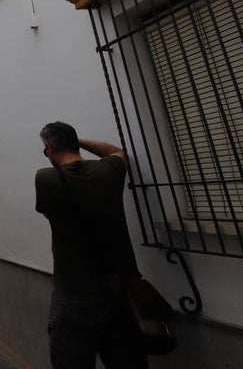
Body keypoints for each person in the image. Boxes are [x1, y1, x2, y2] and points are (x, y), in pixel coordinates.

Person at [35, 121, 146, 369]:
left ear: (49, 147)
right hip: (116, 288)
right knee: (126, 360)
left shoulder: (46, 179)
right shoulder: (108, 171)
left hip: (73, 290)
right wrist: (78, 141)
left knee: (71, 360)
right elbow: (117, 152)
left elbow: (47, 210)